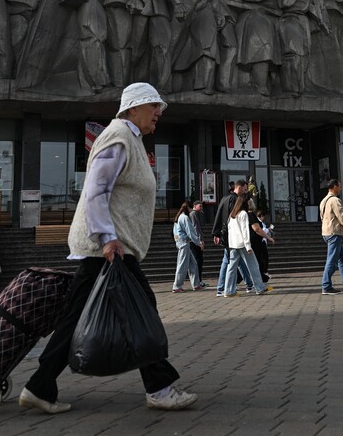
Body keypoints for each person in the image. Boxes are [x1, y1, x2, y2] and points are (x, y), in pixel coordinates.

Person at [20, 83, 196, 413]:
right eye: (153, 106)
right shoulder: (118, 137)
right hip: (110, 248)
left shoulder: (131, 139)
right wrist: (107, 238)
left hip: (109, 247)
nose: (159, 112)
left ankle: (39, 386)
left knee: (79, 318)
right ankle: (159, 387)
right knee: (141, 309)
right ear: (132, 108)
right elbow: (96, 191)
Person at [211, 179, 254, 296]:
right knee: (229, 261)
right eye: (245, 189)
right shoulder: (235, 200)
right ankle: (222, 288)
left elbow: (219, 214)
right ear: (239, 188)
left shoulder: (225, 198)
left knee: (235, 260)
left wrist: (216, 233)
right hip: (233, 236)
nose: (245, 192)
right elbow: (235, 220)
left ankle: (249, 283)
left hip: (226, 234)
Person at [224, 194, 270, 297]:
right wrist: (248, 245)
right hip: (243, 244)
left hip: (233, 244)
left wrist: (230, 244)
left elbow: (230, 230)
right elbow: (245, 231)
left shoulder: (232, 214)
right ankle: (260, 288)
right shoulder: (244, 214)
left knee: (231, 267)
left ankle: (228, 290)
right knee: (253, 266)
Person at [172, 201, 200, 293]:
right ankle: (177, 285)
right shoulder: (184, 218)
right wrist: (198, 242)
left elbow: (176, 233)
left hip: (181, 242)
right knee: (182, 265)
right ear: (188, 208)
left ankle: (196, 284)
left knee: (193, 263)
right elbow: (190, 231)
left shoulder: (179, 217)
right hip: (184, 243)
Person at [188, 201, 206, 286]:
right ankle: (197, 280)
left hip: (195, 240)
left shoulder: (195, 214)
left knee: (199, 260)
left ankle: (198, 280)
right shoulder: (193, 214)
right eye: (200, 206)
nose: (201, 208)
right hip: (195, 241)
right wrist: (200, 240)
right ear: (194, 206)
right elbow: (196, 228)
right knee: (198, 260)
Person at [255, 209, 274, 282]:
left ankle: (264, 273)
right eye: (263, 216)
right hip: (261, 242)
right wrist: (268, 231)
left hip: (262, 242)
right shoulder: (258, 222)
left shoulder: (260, 222)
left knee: (263, 258)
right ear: (261, 216)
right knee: (264, 258)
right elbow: (261, 230)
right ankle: (264, 272)